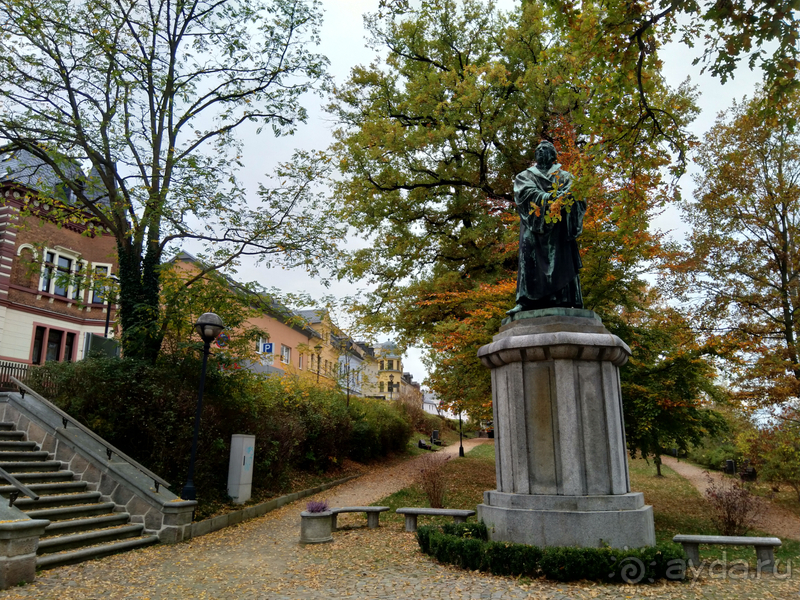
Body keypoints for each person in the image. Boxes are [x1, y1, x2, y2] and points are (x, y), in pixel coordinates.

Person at [507, 141, 586, 316]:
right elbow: (525, 194)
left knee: (561, 258)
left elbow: (577, 196)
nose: (541, 152)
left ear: (553, 155)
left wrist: (566, 198)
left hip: (559, 228)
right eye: (538, 150)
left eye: (546, 149)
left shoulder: (566, 176)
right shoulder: (524, 176)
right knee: (528, 257)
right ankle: (526, 301)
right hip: (533, 225)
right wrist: (551, 198)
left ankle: (565, 299)